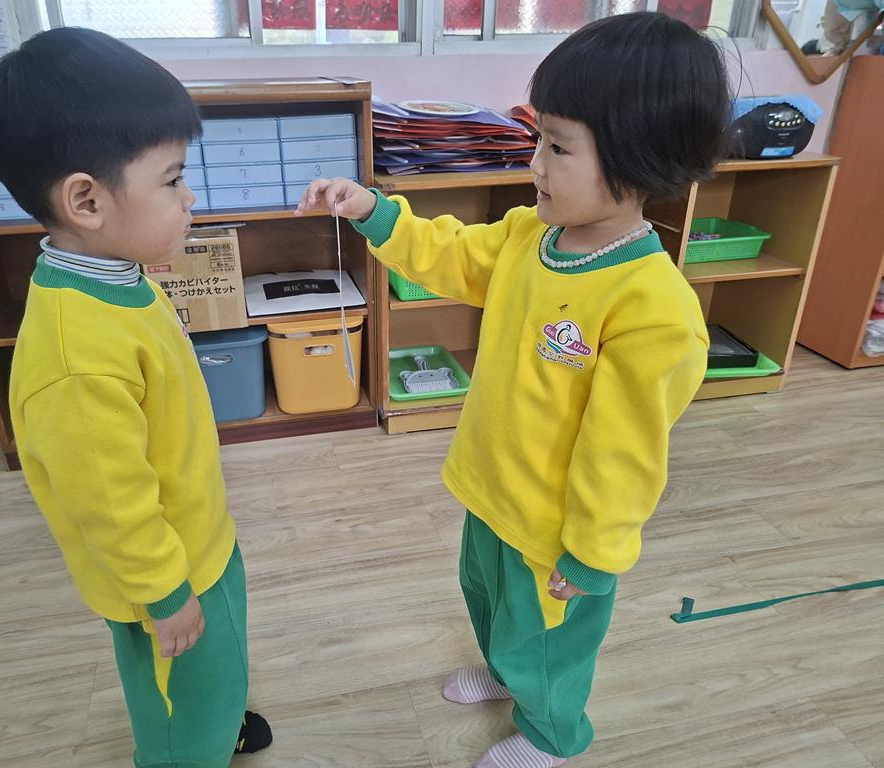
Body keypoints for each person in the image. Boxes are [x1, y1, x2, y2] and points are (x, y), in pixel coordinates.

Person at [297, 12, 727, 767]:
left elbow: (625, 454)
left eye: (558, 147)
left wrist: (592, 553)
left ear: (640, 159)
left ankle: (552, 734)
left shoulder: (653, 310)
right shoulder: (534, 235)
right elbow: (456, 255)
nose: (535, 164)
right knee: (491, 602)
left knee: (552, 646)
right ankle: (504, 669)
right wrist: (375, 211)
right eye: (539, 140)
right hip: (492, 489)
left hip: (556, 532)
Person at [0, 27, 271, 767]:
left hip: (199, 535)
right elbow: (109, 500)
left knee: (217, 665)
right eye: (172, 180)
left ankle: (219, 718)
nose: (189, 197)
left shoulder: (118, 276)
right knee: (179, 700)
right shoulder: (75, 357)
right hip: (161, 573)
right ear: (87, 200)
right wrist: (164, 594)